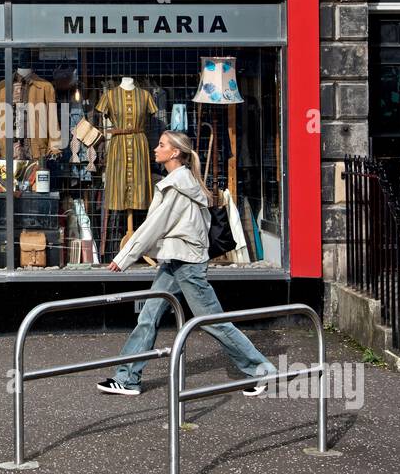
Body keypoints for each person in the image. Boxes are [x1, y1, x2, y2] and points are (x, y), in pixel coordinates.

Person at [97, 130, 274, 397]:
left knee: (213, 321)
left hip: (187, 265)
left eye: (161, 145)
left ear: (175, 153)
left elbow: (153, 225)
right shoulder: (182, 182)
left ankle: (262, 370)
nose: (156, 149)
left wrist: (124, 257)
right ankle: (128, 378)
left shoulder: (177, 186)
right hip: (175, 261)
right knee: (148, 316)